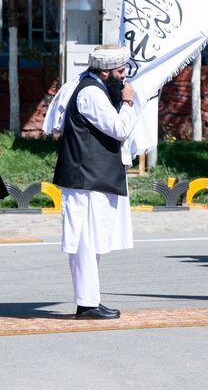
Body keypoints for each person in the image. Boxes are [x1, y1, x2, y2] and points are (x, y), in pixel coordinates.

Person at [53, 45, 137, 319]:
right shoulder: (90, 93)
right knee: (85, 242)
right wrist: (127, 102)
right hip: (85, 178)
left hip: (93, 178)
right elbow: (119, 128)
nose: (124, 77)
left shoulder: (97, 88)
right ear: (105, 71)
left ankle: (90, 300)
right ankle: (87, 304)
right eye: (120, 72)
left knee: (92, 240)